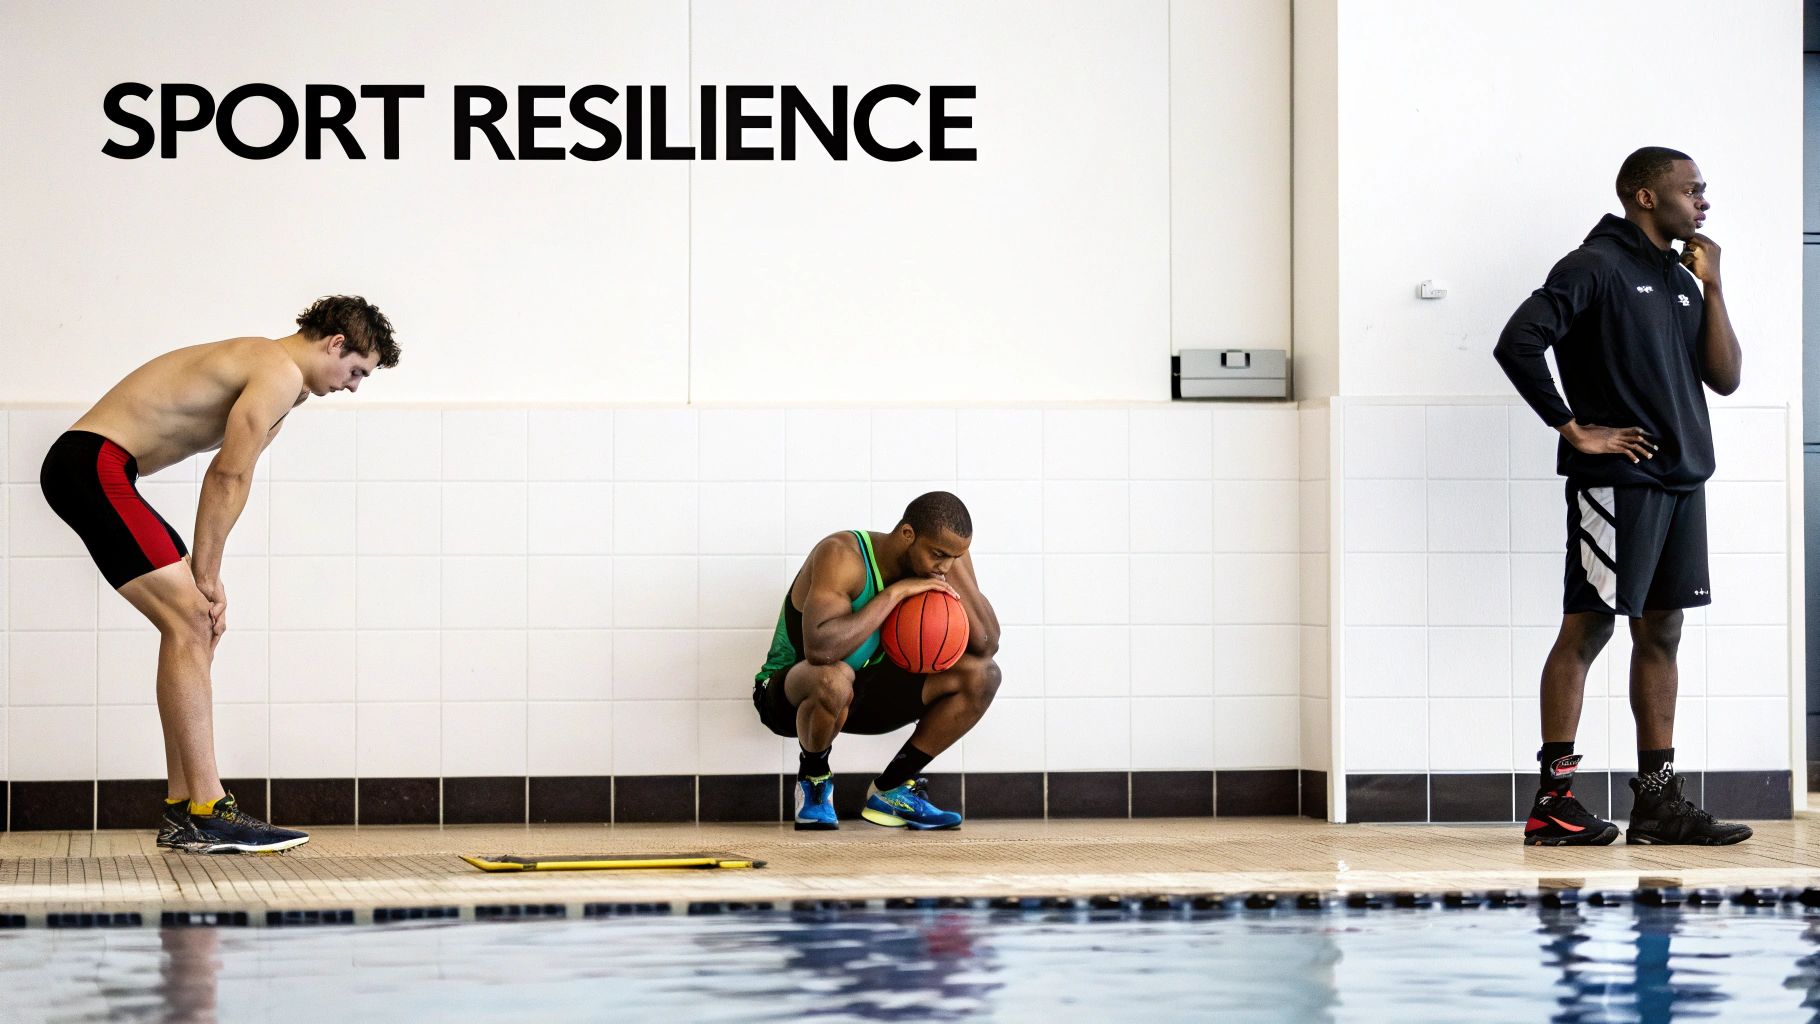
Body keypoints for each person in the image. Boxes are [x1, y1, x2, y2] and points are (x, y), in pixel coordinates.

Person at [39, 296, 400, 853]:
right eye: (356, 371)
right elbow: (224, 475)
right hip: (92, 465)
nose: (354, 386)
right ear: (335, 343)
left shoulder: (285, 387)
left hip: (100, 470)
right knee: (192, 618)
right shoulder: (275, 368)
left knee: (195, 626)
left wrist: (210, 578)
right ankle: (209, 809)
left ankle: (183, 810)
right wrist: (205, 578)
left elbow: (239, 476)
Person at [1494, 146, 1750, 846]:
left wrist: (1715, 287)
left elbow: (1724, 378)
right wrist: (1574, 429)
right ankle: (1554, 802)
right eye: (1691, 190)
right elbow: (1518, 341)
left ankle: (1658, 805)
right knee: (1590, 628)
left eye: (1703, 191)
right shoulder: (1593, 266)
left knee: (1662, 633)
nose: (1702, 202)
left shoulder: (1680, 278)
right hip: (1619, 483)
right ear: (1645, 196)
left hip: (1682, 479)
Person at [753, 490, 1001, 831]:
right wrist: (896, 593)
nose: (944, 565)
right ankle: (814, 779)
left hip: (864, 693)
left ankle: (892, 789)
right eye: (939, 554)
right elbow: (820, 651)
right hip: (791, 694)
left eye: (954, 557)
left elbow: (986, 644)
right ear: (907, 535)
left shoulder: (946, 562)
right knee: (833, 677)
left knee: (982, 675)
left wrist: (951, 569)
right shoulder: (842, 555)